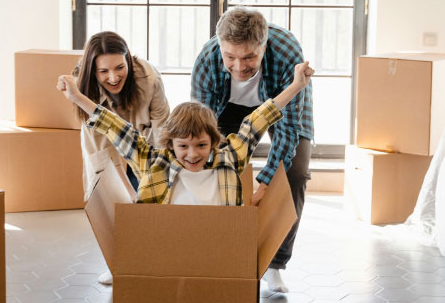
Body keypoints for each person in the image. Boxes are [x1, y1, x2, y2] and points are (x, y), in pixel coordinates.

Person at [57, 61, 312, 206]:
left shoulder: (229, 159)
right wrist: (77, 98)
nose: (192, 154)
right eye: (183, 146)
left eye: (201, 145)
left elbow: (257, 121)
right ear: (170, 145)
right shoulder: (154, 163)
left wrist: (296, 85)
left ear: (214, 142)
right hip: (167, 246)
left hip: (217, 246)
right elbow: (115, 127)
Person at [191, 7, 314, 293]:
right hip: (227, 107)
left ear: (264, 46)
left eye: (249, 57)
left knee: (294, 174)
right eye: (230, 57)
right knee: (216, 169)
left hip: (281, 103)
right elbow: (201, 129)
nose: (238, 67)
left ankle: (275, 263)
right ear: (220, 47)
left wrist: (266, 182)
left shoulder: (287, 53)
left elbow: (288, 129)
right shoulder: (207, 60)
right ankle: (221, 252)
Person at [72, 31, 170, 282]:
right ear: (93, 71)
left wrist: (159, 175)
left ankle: (153, 261)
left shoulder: (149, 78)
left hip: (143, 142)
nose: (113, 78)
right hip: (104, 146)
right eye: (103, 71)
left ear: (128, 60)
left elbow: (162, 129)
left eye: (119, 67)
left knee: (151, 200)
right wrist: (126, 191)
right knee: (115, 202)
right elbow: (104, 151)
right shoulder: (82, 89)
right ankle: (119, 263)